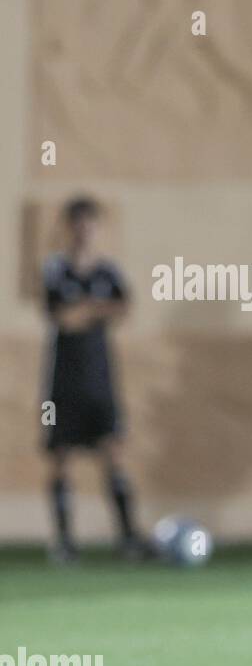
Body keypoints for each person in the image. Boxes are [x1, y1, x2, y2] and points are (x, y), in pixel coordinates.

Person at [42, 196, 144, 562]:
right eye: (78, 224)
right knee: (59, 455)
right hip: (59, 382)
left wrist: (88, 310)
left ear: (98, 228)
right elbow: (62, 318)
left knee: (113, 450)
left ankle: (129, 537)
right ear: (68, 227)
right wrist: (95, 310)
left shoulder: (108, 272)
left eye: (90, 224)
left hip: (100, 379)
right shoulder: (55, 270)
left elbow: (124, 307)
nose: (84, 231)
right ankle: (65, 542)